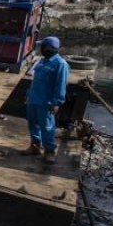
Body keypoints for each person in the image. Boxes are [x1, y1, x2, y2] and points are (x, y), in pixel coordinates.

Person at [21, 36, 69, 164]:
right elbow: (35, 81)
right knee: (32, 124)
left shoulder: (60, 64)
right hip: (33, 99)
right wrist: (28, 94)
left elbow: (61, 85)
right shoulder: (41, 61)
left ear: (54, 49)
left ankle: (49, 151)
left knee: (47, 127)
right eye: (43, 47)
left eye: (46, 47)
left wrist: (56, 102)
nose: (43, 49)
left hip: (46, 102)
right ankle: (35, 146)